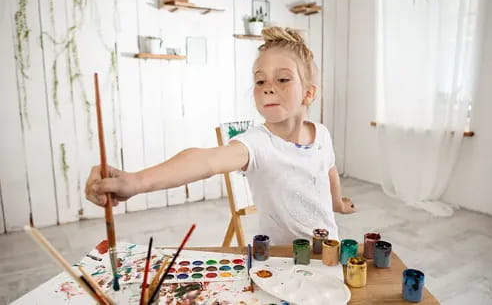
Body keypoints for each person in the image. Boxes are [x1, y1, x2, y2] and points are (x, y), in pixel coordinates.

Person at [85, 27, 355, 244]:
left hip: (329, 252)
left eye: (282, 79)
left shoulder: (321, 134)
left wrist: (337, 203)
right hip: (280, 263)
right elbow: (204, 161)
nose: (268, 88)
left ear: (309, 93)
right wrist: (136, 182)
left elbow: (327, 170)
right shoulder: (257, 144)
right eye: (260, 80)